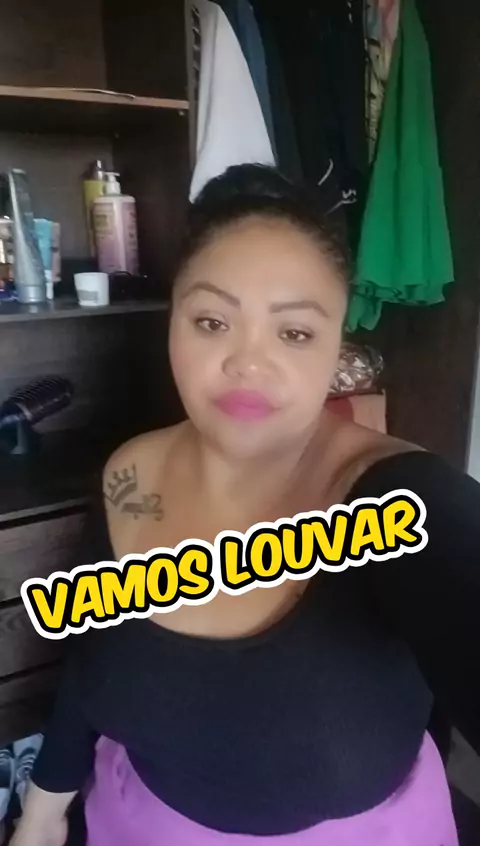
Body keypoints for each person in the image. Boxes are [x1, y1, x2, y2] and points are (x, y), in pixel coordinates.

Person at [11, 165, 480, 846]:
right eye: (212, 321)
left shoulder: (405, 503)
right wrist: (41, 814)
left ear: (336, 347)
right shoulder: (129, 476)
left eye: (294, 333)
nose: (248, 363)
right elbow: (91, 660)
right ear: (172, 323)